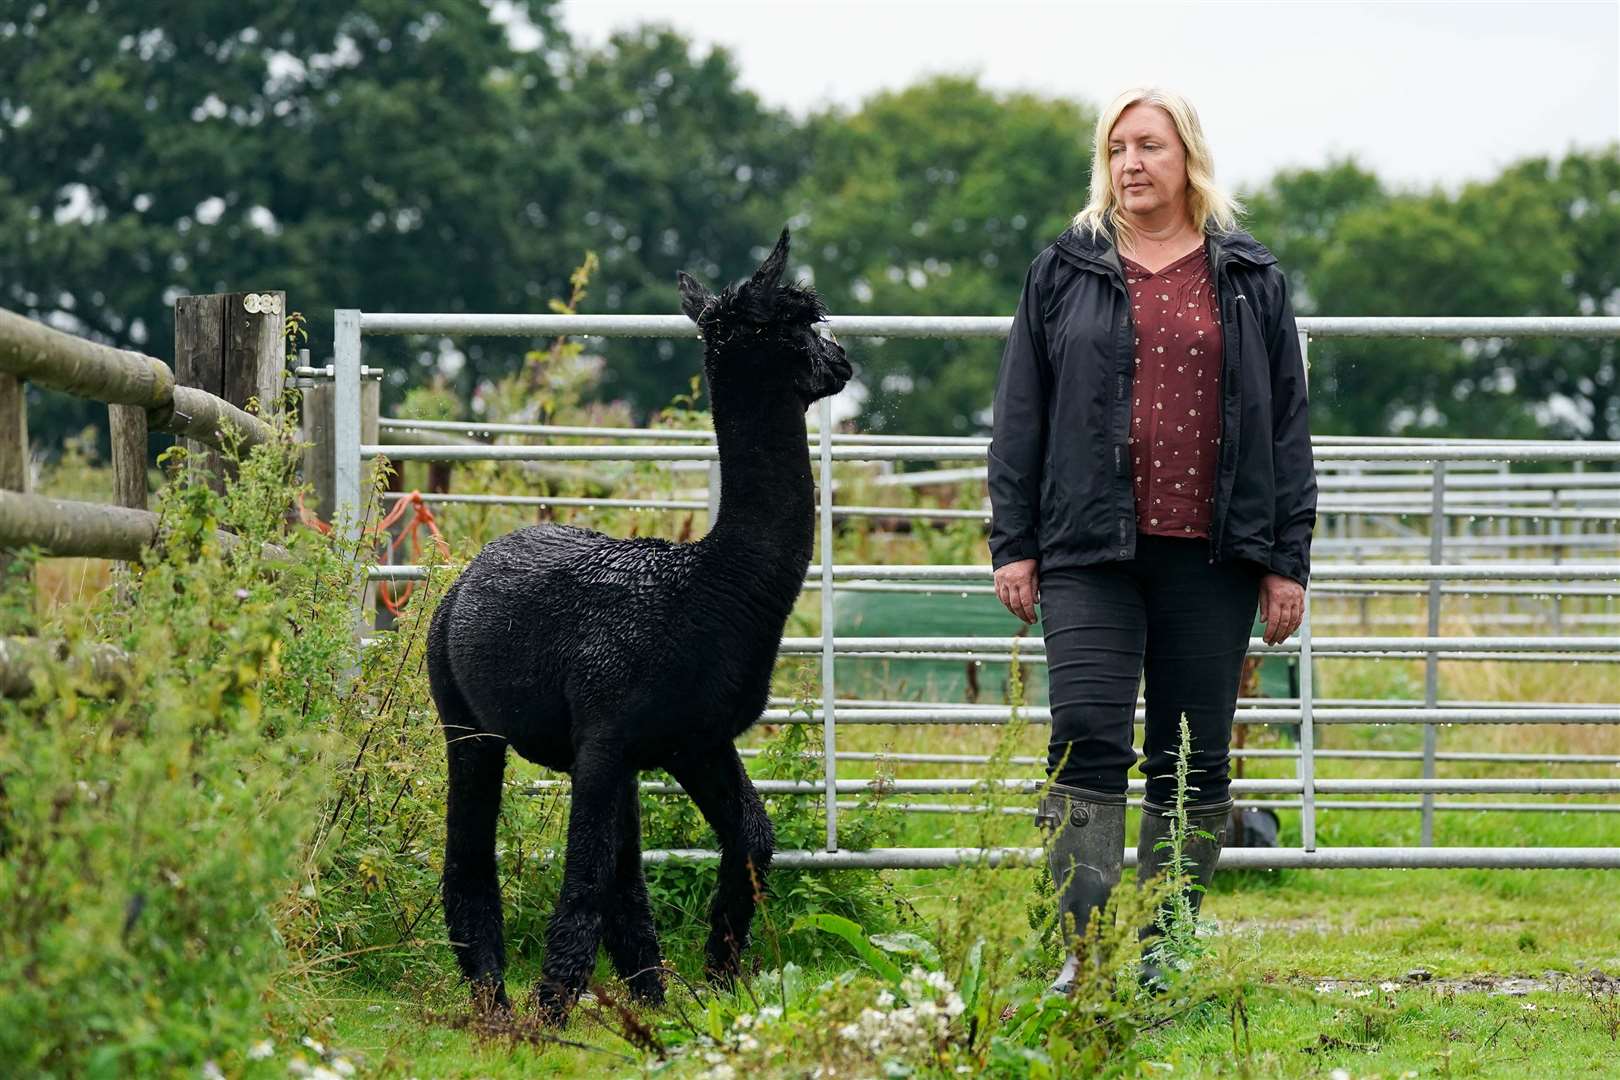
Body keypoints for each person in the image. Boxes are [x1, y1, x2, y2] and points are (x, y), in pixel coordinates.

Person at [987, 86, 1318, 994]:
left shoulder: (1250, 278)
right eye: (1118, 147)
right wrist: (1012, 541)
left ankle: (1160, 954)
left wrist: (1287, 560)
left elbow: (1287, 426)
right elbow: (1021, 412)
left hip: (1215, 553)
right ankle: (1080, 958)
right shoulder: (1063, 268)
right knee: (1086, 731)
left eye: (1151, 147)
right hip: (1089, 549)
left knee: (1192, 752)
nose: (1132, 162)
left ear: (1188, 159)